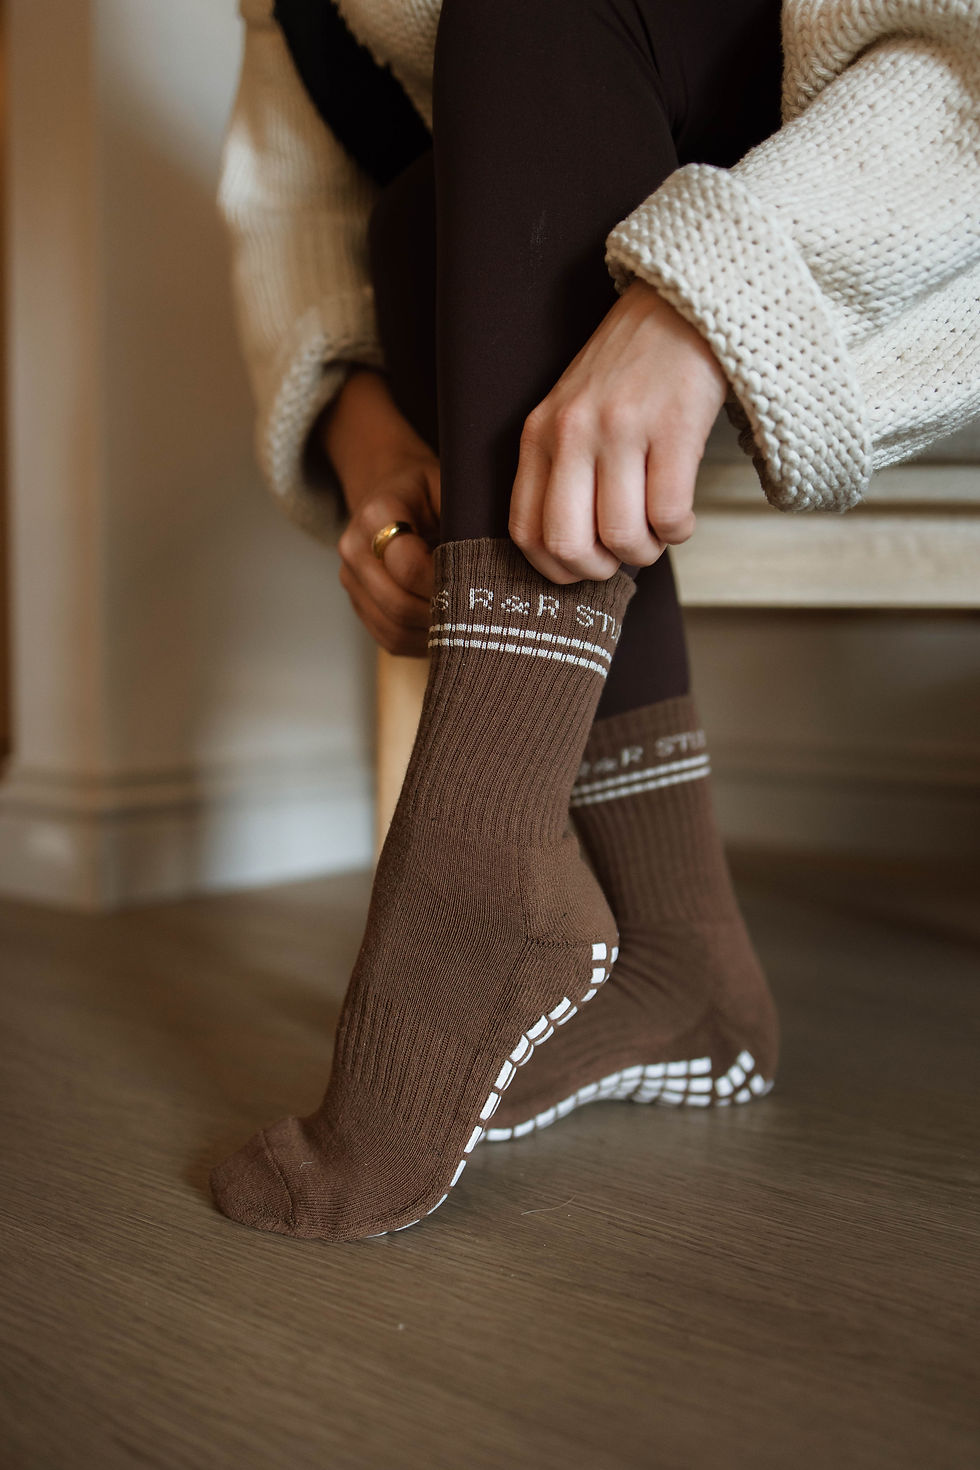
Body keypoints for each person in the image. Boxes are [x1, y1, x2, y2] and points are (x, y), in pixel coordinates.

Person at [210, 0, 980, 1242]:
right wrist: (366, 446)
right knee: (419, 214)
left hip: (890, 212)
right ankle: (678, 955)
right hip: (566, 232)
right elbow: (298, 201)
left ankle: (476, 859)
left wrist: (699, 299)